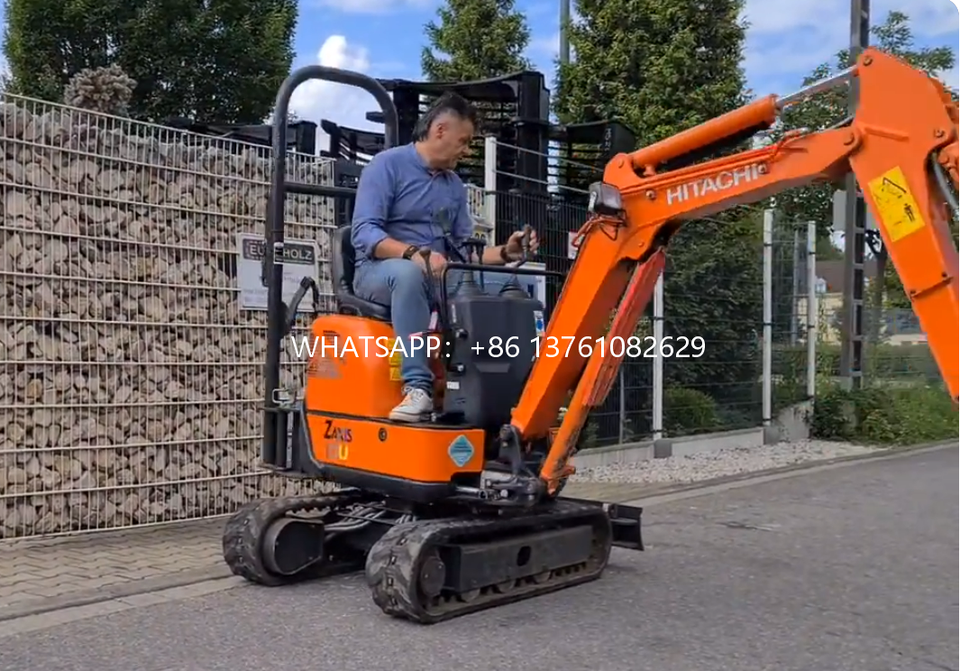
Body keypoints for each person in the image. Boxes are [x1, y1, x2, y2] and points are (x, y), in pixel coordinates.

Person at [350, 92, 540, 423]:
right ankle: (417, 388)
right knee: (409, 275)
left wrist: (506, 252)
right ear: (440, 130)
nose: (466, 151)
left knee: (506, 285)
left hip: (439, 274)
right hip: (379, 271)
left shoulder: (454, 186)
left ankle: (515, 387)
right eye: (464, 141)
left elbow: (464, 255)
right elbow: (364, 232)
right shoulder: (386, 166)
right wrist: (412, 255)